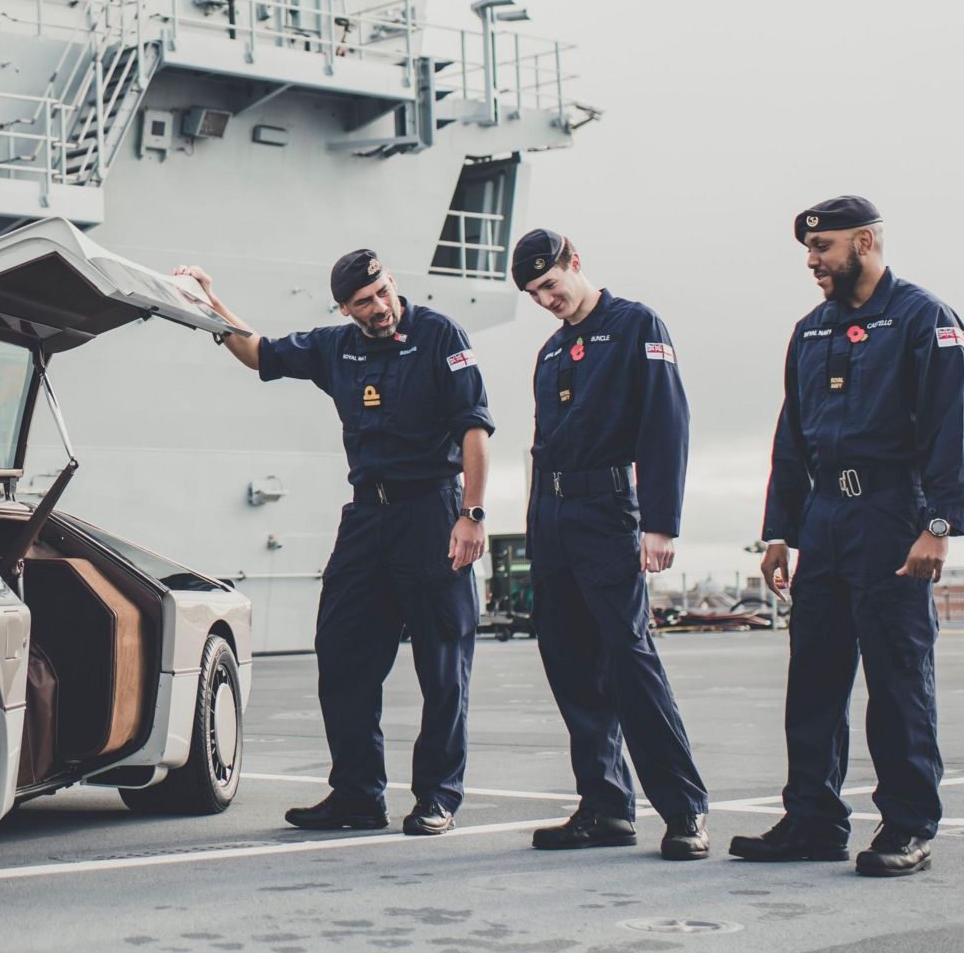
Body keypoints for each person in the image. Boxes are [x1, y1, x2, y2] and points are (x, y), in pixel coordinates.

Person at [175, 251, 492, 836]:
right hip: (367, 517)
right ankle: (357, 796)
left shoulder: (440, 334)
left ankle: (438, 797)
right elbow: (258, 352)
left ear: (392, 282)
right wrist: (207, 302)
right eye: (364, 303)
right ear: (345, 309)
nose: (380, 308)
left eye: (383, 292)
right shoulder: (334, 346)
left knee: (443, 665)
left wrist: (471, 514)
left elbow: (473, 426)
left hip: (433, 511)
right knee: (342, 654)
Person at [730, 196, 964, 878]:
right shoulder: (810, 331)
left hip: (895, 515)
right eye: (809, 249)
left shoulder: (924, 318)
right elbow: (792, 439)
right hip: (825, 520)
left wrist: (939, 523)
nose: (813, 261)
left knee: (897, 678)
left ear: (865, 241)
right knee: (813, 676)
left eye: (825, 248)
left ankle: (907, 826)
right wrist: (779, 531)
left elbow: (948, 429)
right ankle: (812, 818)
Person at [511, 229, 710, 861]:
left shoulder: (636, 325)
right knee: (569, 659)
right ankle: (604, 806)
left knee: (629, 659)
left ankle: (684, 811)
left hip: (606, 510)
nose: (547, 299)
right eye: (534, 293)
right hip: (552, 514)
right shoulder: (550, 352)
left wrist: (661, 521)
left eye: (550, 284)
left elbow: (666, 421)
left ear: (575, 263)